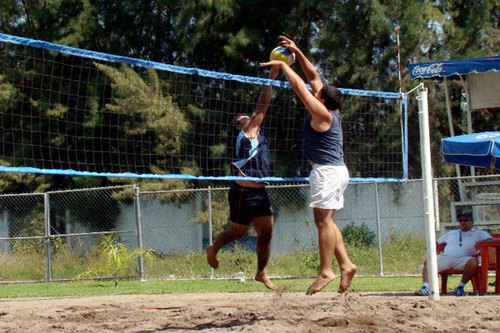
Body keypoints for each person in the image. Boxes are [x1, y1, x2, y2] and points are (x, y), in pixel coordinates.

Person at [260, 36, 357, 295]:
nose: (317, 90)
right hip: (335, 171)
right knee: (328, 223)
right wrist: (297, 51)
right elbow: (313, 76)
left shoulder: (323, 114)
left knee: (323, 223)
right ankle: (346, 264)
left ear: (323, 100)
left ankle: (326, 271)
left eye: (319, 94)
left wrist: (282, 66)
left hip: (327, 171)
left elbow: (301, 89)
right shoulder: (331, 108)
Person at [206, 66, 279, 291]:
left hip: (259, 192)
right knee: (238, 232)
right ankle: (213, 249)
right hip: (243, 193)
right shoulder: (247, 133)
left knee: (266, 231)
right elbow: (262, 105)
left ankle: (261, 273)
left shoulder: (257, 135)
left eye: (247, 118)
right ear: (239, 127)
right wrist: (272, 78)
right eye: (242, 120)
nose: (248, 119)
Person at [414, 213, 494, 296]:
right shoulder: (452, 233)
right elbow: (437, 242)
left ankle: (460, 287)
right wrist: (434, 251)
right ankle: (426, 287)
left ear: (472, 222)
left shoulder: (479, 233)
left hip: (464, 259)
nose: (463, 222)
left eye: (466, 220)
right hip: (447, 257)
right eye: (461, 220)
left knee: (474, 262)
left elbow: (492, 241)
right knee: (429, 261)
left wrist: (481, 243)